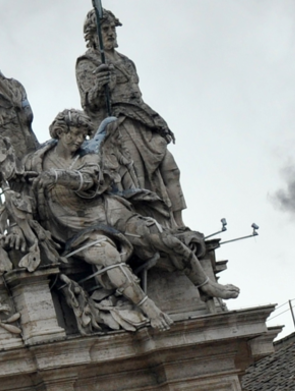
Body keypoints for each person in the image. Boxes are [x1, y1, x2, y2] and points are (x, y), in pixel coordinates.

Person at [22, 110, 238, 332]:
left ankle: (206, 285)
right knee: (108, 256)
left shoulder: (88, 155)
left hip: (110, 211)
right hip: (76, 228)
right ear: (60, 131)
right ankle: (149, 308)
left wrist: (57, 177)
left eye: (83, 135)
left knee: (163, 237)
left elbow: (88, 179)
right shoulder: (35, 161)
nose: (79, 140)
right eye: (75, 134)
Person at [75, 9, 186, 227]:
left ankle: (179, 223)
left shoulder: (127, 63)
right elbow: (88, 103)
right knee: (138, 178)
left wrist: (156, 120)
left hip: (141, 121)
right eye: (105, 29)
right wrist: (100, 86)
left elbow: (138, 97)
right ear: (93, 34)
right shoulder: (87, 62)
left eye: (112, 29)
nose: (110, 33)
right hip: (119, 126)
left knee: (170, 167)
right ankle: (151, 225)